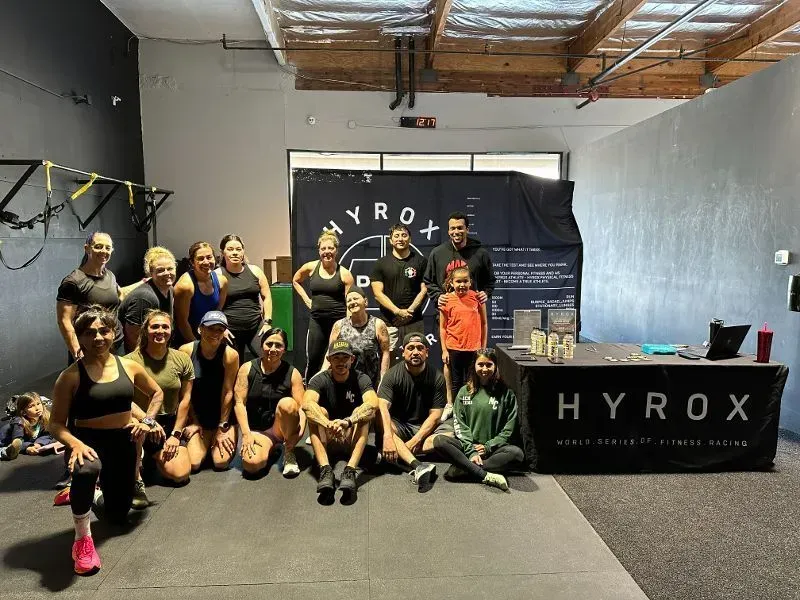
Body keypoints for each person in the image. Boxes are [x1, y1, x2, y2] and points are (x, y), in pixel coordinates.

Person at [49, 306, 163, 575]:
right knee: (87, 469)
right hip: (87, 441)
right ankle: (82, 539)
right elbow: (55, 424)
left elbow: (156, 393)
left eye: (104, 331)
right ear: (80, 337)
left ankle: (89, 493)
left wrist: (147, 421)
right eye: (89, 333)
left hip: (122, 442)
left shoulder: (129, 366)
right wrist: (75, 444)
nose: (98, 337)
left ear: (114, 333)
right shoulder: (70, 376)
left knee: (118, 516)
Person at [125, 311, 194, 504]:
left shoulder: (181, 358)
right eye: (154, 326)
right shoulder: (130, 361)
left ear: (171, 331)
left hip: (168, 424)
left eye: (165, 327)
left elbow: (185, 399)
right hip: (139, 421)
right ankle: (136, 478)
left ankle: (153, 455)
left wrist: (176, 434)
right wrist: (148, 421)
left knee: (180, 474)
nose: (160, 331)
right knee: (134, 427)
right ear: (145, 331)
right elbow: (124, 399)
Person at [433, 348, 524, 492]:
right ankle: (482, 473)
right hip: (467, 447)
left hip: (493, 450)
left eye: (489, 365)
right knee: (439, 441)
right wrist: (471, 451)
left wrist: (488, 447)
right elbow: (459, 424)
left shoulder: (506, 394)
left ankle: (465, 468)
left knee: (517, 454)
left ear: (495, 366)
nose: (485, 369)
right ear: (474, 366)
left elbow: (509, 429)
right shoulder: (464, 392)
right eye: (480, 364)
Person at [302, 340, 377, 501]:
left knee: (363, 412)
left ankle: (350, 470)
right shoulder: (319, 380)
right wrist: (327, 423)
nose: (341, 362)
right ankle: (325, 469)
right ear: (329, 359)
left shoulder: (361, 378)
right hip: (328, 438)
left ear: (352, 359)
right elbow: (306, 405)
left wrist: (348, 422)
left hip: (350, 437)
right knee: (317, 412)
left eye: (345, 357)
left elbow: (373, 405)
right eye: (336, 357)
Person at [376, 333, 449, 490]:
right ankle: (418, 465)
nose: (415, 352)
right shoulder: (392, 375)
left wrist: (416, 440)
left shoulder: (437, 377)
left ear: (426, 352)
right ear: (403, 352)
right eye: (410, 348)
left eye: (420, 348)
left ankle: (399, 453)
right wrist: (388, 436)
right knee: (379, 418)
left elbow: (436, 415)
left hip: (424, 429)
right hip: (399, 427)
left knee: (449, 435)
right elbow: (382, 406)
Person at [56, 232, 143, 360]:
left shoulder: (110, 275)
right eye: (98, 246)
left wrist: (145, 281)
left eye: (108, 248)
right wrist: (77, 354)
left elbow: (120, 294)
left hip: (116, 343)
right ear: (87, 249)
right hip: (91, 346)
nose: (104, 251)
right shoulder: (73, 281)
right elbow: (64, 321)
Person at [233, 328, 305, 478]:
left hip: (280, 429)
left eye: (278, 345)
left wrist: (295, 438)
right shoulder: (246, 369)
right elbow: (239, 403)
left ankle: (288, 452)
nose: (273, 349)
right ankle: (272, 447)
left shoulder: (293, 373)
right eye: (269, 344)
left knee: (288, 403)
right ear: (261, 346)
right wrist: (245, 434)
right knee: (252, 465)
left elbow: (302, 409)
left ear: (284, 349)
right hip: (257, 430)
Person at [177, 311, 239, 472]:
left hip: (222, 416)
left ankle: (215, 437)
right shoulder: (186, 351)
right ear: (200, 329)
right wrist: (194, 421)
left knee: (220, 462)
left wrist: (222, 426)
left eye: (220, 329)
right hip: (198, 415)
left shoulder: (230, 355)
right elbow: (185, 393)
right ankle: (206, 440)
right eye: (211, 328)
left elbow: (228, 392)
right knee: (194, 463)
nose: (215, 333)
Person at [292, 231, 354, 381]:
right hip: (317, 322)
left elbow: (350, 303)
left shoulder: (345, 274)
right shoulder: (311, 267)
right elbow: (296, 280)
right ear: (319, 250)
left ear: (336, 251)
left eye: (330, 248)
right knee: (314, 360)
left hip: (337, 323)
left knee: (338, 359)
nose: (327, 252)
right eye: (323, 248)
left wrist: (346, 325)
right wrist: (307, 300)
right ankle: (311, 389)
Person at [371, 223, 428, 364]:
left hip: (414, 321)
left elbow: (425, 289)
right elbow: (377, 293)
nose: (400, 239)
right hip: (389, 321)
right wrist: (397, 311)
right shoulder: (381, 263)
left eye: (404, 235)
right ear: (391, 240)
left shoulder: (421, 261)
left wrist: (410, 311)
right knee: (388, 360)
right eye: (396, 236)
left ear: (410, 239)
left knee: (416, 358)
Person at [216, 234, 273, 362]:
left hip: (255, 327)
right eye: (230, 249)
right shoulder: (217, 275)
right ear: (223, 252)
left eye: (238, 249)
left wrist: (267, 322)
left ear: (243, 251)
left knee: (267, 358)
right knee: (234, 364)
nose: (235, 253)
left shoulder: (255, 271)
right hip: (230, 330)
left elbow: (267, 297)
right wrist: (221, 328)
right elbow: (214, 306)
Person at [321, 287, 390, 389]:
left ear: (365, 301)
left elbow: (385, 353)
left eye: (355, 299)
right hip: (344, 381)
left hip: (371, 382)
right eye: (349, 300)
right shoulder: (339, 325)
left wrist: (383, 379)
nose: (352, 302)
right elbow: (330, 352)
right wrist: (322, 374)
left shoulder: (378, 324)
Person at [423, 212, 495, 309]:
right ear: (448, 231)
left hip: (473, 312)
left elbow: (490, 280)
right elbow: (428, 281)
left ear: (467, 229)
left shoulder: (481, 253)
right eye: (452, 228)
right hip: (446, 312)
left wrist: (486, 293)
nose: (456, 232)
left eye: (460, 228)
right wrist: (438, 296)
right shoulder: (437, 253)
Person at [439, 266, 487, 410]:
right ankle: (456, 410)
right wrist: (444, 350)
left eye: (465, 281)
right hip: (454, 347)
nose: (462, 285)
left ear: (470, 282)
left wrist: (483, 347)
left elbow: (484, 323)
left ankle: (470, 410)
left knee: (472, 380)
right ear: (451, 283)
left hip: (474, 348)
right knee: (456, 382)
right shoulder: (446, 300)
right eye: (458, 281)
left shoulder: (477, 298)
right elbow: (442, 327)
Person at [119, 246, 177, 352]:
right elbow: (132, 337)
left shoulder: (170, 289)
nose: (167, 273)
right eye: (160, 270)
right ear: (151, 272)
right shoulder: (145, 297)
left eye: (170, 269)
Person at [174, 241, 228, 345]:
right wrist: (197, 347)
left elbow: (218, 312)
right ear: (192, 262)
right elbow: (182, 322)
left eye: (209, 257)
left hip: (210, 336)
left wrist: (221, 332)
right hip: (189, 338)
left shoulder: (222, 281)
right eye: (200, 258)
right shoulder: (185, 286)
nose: (206, 262)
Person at [0, 392, 63, 459]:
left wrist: (39, 444)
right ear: (23, 412)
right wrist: (27, 447)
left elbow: (47, 434)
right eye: (31, 406)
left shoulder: (45, 418)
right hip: (4, 440)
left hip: (25, 441)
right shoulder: (19, 422)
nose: (37, 408)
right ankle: (9, 452)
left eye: (38, 404)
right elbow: (18, 441)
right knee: (5, 450)